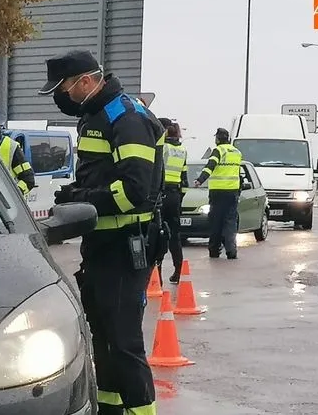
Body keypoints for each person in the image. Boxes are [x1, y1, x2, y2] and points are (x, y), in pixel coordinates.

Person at [42, 49, 164, 415]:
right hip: (101, 243)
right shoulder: (94, 115)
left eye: (63, 88)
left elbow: (134, 191)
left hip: (128, 245)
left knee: (124, 340)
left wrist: (82, 199)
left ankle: (143, 410)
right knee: (103, 336)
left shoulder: (126, 116)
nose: (61, 96)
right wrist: (77, 200)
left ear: (85, 81)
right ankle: (110, 408)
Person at [194, 128, 243, 259]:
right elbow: (237, 172)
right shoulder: (236, 152)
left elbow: (210, 166)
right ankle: (231, 251)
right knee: (230, 222)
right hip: (232, 192)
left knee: (216, 221)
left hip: (218, 192)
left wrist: (200, 180)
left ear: (217, 139)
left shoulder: (218, 150)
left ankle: (214, 250)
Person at [159, 118, 188, 283]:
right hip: (175, 195)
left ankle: (157, 274)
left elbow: (156, 171)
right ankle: (178, 271)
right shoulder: (182, 150)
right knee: (175, 236)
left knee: (159, 233)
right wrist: (180, 199)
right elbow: (184, 178)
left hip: (161, 194)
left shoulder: (163, 148)